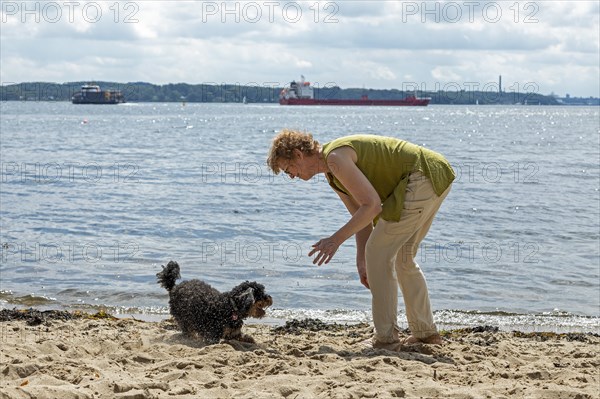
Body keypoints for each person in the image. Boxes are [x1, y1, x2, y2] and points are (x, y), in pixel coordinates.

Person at [267, 129, 455, 348]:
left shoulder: (335, 158)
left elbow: (372, 206)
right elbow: (362, 217)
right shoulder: (333, 174)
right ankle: (426, 334)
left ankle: (386, 339)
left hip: (422, 175)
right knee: (402, 258)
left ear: (299, 155)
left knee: (380, 253)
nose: (290, 176)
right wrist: (362, 262)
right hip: (434, 172)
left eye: (288, 168)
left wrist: (335, 240)